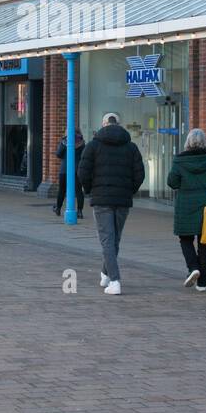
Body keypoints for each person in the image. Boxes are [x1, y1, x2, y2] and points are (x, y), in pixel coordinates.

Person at [77, 112, 145, 296]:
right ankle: (105, 273)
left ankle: (115, 280)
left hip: (102, 199)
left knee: (107, 240)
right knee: (115, 239)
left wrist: (91, 189)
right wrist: (129, 190)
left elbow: (83, 172)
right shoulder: (131, 147)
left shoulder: (93, 146)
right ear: (119, 124)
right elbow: (140, 174)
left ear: (104, 124)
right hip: (122, 199)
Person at [167, 128, 206, 292]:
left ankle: (193, 267)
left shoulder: (179, 161)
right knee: (204, 243)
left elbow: (172, 182)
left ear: (187, 143)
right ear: (205, 142)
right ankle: (202, 282)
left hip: (186, 205)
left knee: (185, 239)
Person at [53, 128, 85, 218]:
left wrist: (63, 143)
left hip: (65, 169)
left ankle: (58, 208)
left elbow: (58, 154)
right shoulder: (82, 142)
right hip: (77, 169)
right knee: (79, 190)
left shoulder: (64, 141)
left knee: (62, 190)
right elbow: (84, 156)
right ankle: (79, 211)